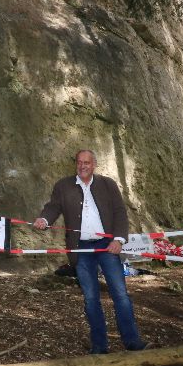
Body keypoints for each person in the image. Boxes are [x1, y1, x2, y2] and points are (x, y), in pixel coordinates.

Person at [34, 150, 148, 354]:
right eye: (79, 162)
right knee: (91, 298)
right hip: (80, 248)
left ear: (94, 164)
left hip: (107, 245)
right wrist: (44, 219)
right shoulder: (63, 185)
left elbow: (120, 212)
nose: (82, 166)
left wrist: (119, 239)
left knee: (120, 294)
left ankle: (132, 342)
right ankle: (99, 346)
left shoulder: (108, 184)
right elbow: (53, 207)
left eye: (87, 162)